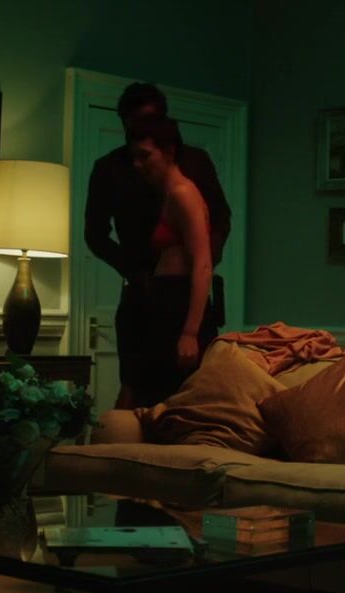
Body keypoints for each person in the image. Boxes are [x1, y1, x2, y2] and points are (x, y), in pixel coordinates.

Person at [84, 82, 230, 409]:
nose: (141, 131)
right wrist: (135, 272)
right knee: (135, 391)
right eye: (134, 124)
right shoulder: (111, 168)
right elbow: (95, 235)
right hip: (140, 290)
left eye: (150, 121)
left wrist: (197, 269)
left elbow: (220, 221)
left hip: (181, 293)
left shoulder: (193, 165)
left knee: (184, 394)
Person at [119, 114, 217, 406]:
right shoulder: (167, 194)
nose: (138, 164)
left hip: (179, 304)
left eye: (145, 156)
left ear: (169, 152)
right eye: (134, 157)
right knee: (146, 396)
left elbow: (203, 264)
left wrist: (190, 332)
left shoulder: (183, 193)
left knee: (170, 399)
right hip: (163, 303)